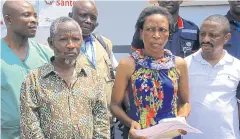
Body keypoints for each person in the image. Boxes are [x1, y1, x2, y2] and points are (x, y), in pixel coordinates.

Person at [20, 16, 110, 139]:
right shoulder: (33, 80)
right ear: (51, 43)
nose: (70, 45)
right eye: (63, 39)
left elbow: (102, 122)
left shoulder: (93, 78)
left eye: (76, 39)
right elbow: (30, 127)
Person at [111, 6, 190, 139]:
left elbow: (184, 102)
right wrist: (131, 123)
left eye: (162, 30)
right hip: (140, 135)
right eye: (150, 29)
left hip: (170, 136)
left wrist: (182, 118)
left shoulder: (179, 64)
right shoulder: (127, 64)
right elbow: (115, 105)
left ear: (169, 34)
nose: (156, 35)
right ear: (141, 33)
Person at [1, 0, 53, 138]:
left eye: (35, 16)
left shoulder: (47, 55)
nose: (34, 20)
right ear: (9, 19)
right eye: (26, 15)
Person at [184, 15, 240, 139]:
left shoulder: (237, 66)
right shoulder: (184, 65)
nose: (205, 39)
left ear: (226, 38)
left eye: (212, 35)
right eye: (202, 34)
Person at [69, 0, 118, 138]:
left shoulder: (104, 44)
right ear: (70, 16)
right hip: (77, 129)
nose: (88, 21)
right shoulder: (59, 47)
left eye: (93, 18)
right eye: (83, 16)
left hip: (106, 127)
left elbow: (116, 77)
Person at [132, 0, 199, 58]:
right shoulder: (144, 29)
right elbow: (135, 56)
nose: (167, 1)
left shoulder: (193, 29)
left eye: (162, 30)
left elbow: (196, 60)